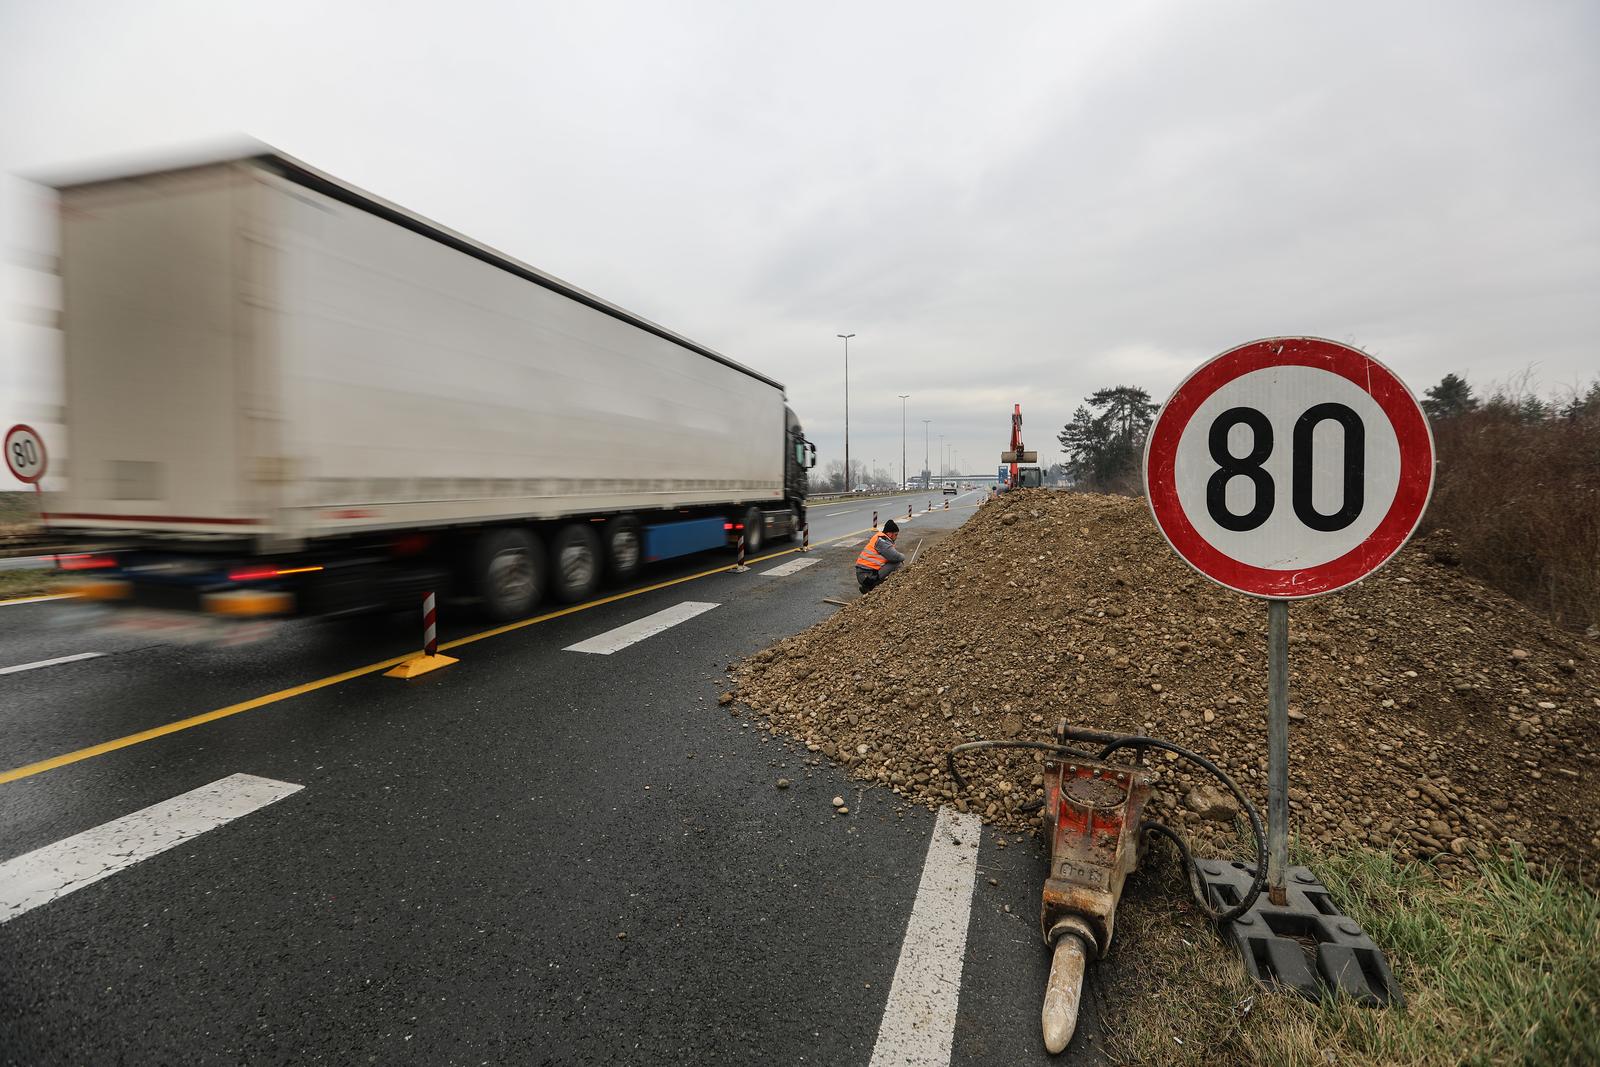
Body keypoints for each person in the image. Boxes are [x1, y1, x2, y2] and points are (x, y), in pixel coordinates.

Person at [855, 519, 904, 593]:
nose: (896, 537)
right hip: (866, 576)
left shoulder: (881, 538)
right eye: (896, 535)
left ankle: (868, 587)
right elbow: (895, 557)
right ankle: (871, 587)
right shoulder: (882, 542)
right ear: (890, 534)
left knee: (893, 562)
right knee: (897, 564)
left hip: (865, 573)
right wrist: (903, 556)